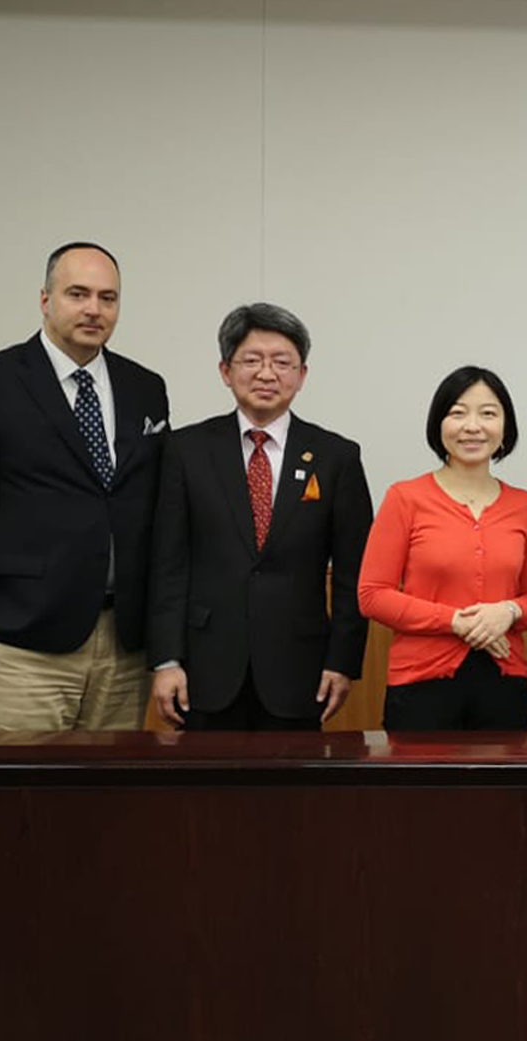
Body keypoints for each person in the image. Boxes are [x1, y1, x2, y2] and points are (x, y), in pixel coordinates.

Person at [0, 242, 170, 729]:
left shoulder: (145, 387)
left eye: (108, 297)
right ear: (45, 299)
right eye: (78, 294)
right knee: (18, 781)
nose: (94, 309)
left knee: (111, 781)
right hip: (20, 645)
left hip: (124, 649)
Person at [147, 303, 372, 731]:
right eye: (252, 360)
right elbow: (168, 564)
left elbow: (353, 572)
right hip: (204, 668)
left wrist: (343, 661)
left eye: (282, 363)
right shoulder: (186, 451)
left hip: (301, 668)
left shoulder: (336, 456)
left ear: (301, 375)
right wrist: (166, 660)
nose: (267, 374)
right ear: (225, 371)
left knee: (295, 777)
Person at [357, 366, 527, 730]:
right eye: (458, 413)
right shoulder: (405, 498)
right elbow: (372, 595)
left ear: (505, 427)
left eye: (488, 414)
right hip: (420, 683)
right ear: (438, 424)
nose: (472, 426)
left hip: (504, 680)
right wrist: (456, 622)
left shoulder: (524, 505)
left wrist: (508, 612)